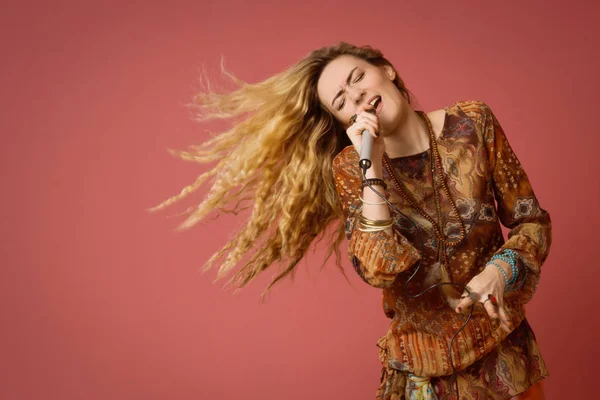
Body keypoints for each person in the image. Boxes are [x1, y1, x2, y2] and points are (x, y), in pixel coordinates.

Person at [151, 42, 551, 399]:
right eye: (340, 101)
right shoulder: (349, 170)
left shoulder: (473, 123)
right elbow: (380, 269)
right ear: (344, 122)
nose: (355, 95)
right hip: (425, 377)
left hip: (505, 359)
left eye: (357, 77)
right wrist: (371, 168)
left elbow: (531, 221)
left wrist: (503, 268)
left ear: (386, 69)